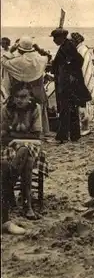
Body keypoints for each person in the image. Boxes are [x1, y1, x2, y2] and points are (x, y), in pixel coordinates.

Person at [1, 82, 47, 220]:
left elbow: (37, 135)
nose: (20, 100)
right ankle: (28, 206)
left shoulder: (35, 109)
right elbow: (2, 136)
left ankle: (9, 187)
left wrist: (14, 135)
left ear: (30, 97)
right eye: (17, 97)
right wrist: (16, 138)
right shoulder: (6, 109)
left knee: (26, 151)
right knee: (27, 157)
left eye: (23, 96)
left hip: (31, 146)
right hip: (8, 147)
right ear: (13, 97)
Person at [1, 36, 51, 136]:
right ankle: (44, 131)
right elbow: (48, 57)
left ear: (19, 49)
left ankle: (19, 131)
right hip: (38, 89)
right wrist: (38, 49)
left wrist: (11, 49)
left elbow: (3, 61)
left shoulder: (17, 61)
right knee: (40, 111)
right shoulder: (40, 59)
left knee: (19, 111)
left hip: (22, 90)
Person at [50, 28, 92, 143]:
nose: (54, 40)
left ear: (61, 37)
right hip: (68, 83)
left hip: (68, 85)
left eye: (55, 38)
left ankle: (62, 137)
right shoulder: (66, 46)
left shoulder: (67, 47)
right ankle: (75, 135)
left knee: (65, 110)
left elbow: (79, 60)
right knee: (72, 110)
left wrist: (70, 73)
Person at [70, 32, 94, 137]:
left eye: (72, 41)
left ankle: (85, 127)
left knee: (84, 104)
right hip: (82, 79)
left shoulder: (83, 50)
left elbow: (84, 68)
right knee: (82, 104)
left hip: (84, 79)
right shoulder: (80, 49)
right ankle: (83, 126)